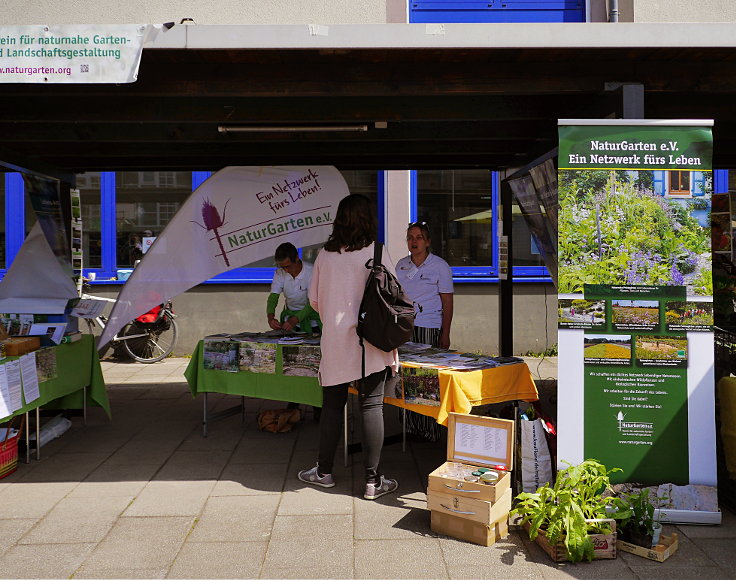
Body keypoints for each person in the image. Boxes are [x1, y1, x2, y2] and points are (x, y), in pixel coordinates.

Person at [298, 194, 399, 500]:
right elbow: (395, 295)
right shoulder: (378, 252)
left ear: (339, 219)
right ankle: (372, 481)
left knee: (331, 407)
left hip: (336, 341)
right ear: (369, 219)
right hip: (373, 340)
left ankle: (324, 471)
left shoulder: (325, 256)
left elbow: (314, 301)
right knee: (371, 406)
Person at [395, 221, 454, 441]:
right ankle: (410, 427)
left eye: (419, 237)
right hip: (405, 327)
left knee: (427, 378)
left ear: (427, 242)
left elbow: (447, 301)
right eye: (410, 237)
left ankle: (431, 429)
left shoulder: (439, 266)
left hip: (429, 326)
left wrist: (445, 332)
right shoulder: (401, 265)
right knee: (407, 376)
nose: (414, 241)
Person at [267, 242, 321, 334]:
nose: (286, 270)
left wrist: (295, 319)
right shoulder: (279, 273)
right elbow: (273, 297)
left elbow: (313, 302)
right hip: (290, 321)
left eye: (288, 266)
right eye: (282, 267)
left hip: (313, 322)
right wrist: (270, 318)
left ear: (296, 258)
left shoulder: (311, 272)